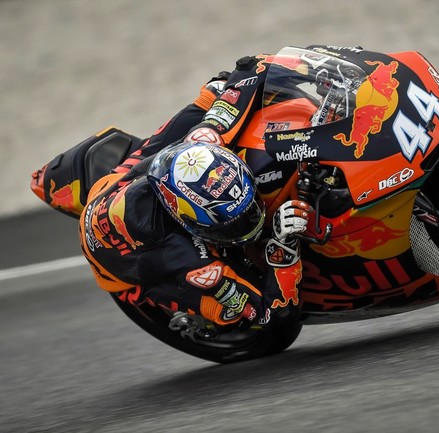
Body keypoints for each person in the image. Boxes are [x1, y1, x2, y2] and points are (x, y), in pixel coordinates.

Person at [32, 52, 314, 333]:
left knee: (215, 91)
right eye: (234, 224)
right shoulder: (191, 261)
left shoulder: (200, 144)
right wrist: (283, 248)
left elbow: (250, 68)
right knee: (228, 313)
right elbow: (272, 316)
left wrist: (306, 68)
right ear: (187, 223)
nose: (254, 220)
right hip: (124, 268)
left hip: (114, 185)